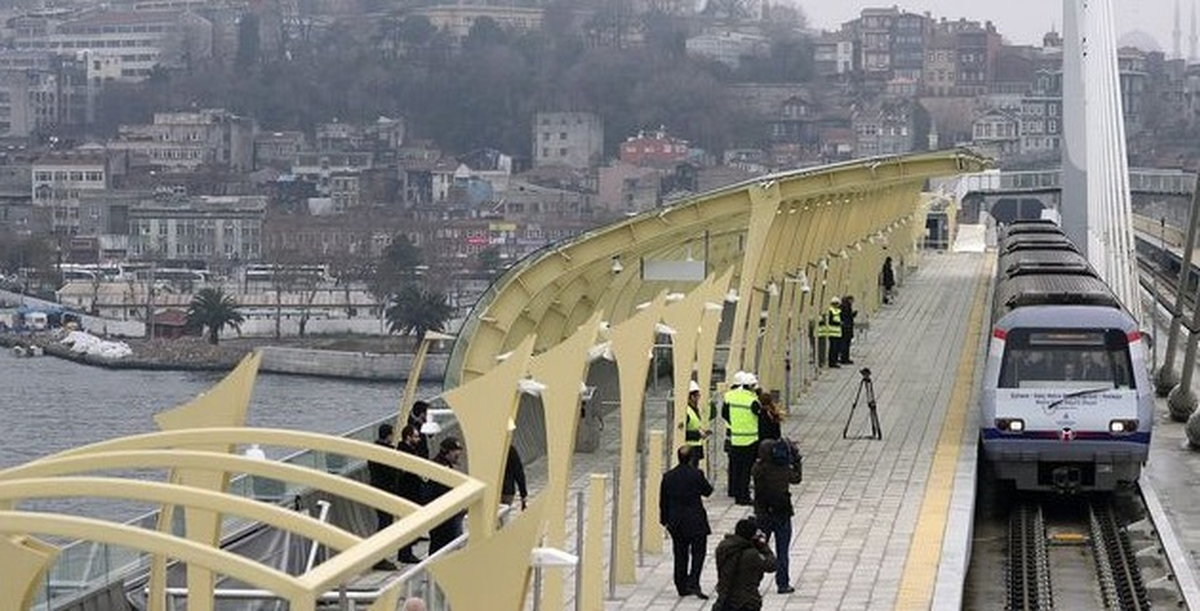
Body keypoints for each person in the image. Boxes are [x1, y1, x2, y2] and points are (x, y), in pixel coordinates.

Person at [659, 445, 714, 599]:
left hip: (676, 521)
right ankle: (694, 580)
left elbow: (663, 501)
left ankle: (681, 585)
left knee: (680, 553)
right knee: (699, 552)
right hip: (695, 519)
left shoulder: (668, 476)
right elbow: (708, 491)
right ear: (691, 458)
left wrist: (665, 520)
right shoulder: (696, 474)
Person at [751, 439, 803, 594]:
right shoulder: (783, 469)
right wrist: (796, 460)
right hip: (782, 512)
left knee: (759, 548)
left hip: (763, 513)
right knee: (783, 550)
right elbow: (797, 479)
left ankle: (753, 582)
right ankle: (783, 583)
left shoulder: (757, 469)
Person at [714, 517, 777, 611]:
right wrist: (763, 546)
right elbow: (772, 565)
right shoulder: (751, 554)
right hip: (746, 602)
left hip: (726, 598)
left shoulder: (723, 547)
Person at [722, 371, 761, 505]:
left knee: (736, 468)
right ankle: (744, 497)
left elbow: (725, 414)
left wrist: (735, 426)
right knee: (746, 470)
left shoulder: (731, 397)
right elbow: (760, 418)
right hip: (750, 440)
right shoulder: (752, 400)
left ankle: (736, 492)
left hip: (735, 437)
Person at [367, 423, 400, 571]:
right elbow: (393, 472)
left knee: (383, 522)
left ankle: (379, 557)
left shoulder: (372, 450)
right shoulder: (388, 452)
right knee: (385, 524)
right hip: (386, 492)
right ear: (388, 435)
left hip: (376, 491)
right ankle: (379, 558)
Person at [425, 437, 466, 554]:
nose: (458, 454)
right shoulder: (439, 468)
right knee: (442, 545)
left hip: (447, 513)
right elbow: (438, 492)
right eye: (455, 451)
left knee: (446, 545)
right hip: (441, 514)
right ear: (447, 452)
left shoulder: (444, 465)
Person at [395, 424, 426, 564]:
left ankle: (406, 551)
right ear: (408, 437)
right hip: (408, 492)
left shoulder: (408, 449)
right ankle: (405, 553)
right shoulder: (405, 452)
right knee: (407, 523)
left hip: (410, 490)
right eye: (415, 436)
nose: (418, 439)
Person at [683, 380, 712, 461]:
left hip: (695, 448)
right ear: (692, 397)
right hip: (689, 449)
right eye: (697, 396)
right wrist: (698, 434)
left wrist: (702, 432)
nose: (699, 398)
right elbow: (682, 433)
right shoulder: (687, 411)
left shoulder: (693, 409)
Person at [817, 296, 844, 368]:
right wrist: (839, 323)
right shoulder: (830, 311)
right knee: (833, 348)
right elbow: (830, 321)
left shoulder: (838, 310)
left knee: (836, 348)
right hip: (832, 332)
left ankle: (834, 361)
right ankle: (832, 362)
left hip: (837, 332)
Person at [501, 444, 528, 510]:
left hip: (489, 490)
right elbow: (518, 472)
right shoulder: (509, 449)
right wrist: (523, 495)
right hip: (507, 492)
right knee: (503, 516)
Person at [838, 295, 857, 365]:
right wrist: (852, 315)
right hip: (847, 328)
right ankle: (845, 358)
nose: (852, 302)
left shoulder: (843, 306)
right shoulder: (846, 307)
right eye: (852, 300)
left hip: (846, 328)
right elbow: (847, 317)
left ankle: (844, 358)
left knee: (845, 344)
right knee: (845, 344)